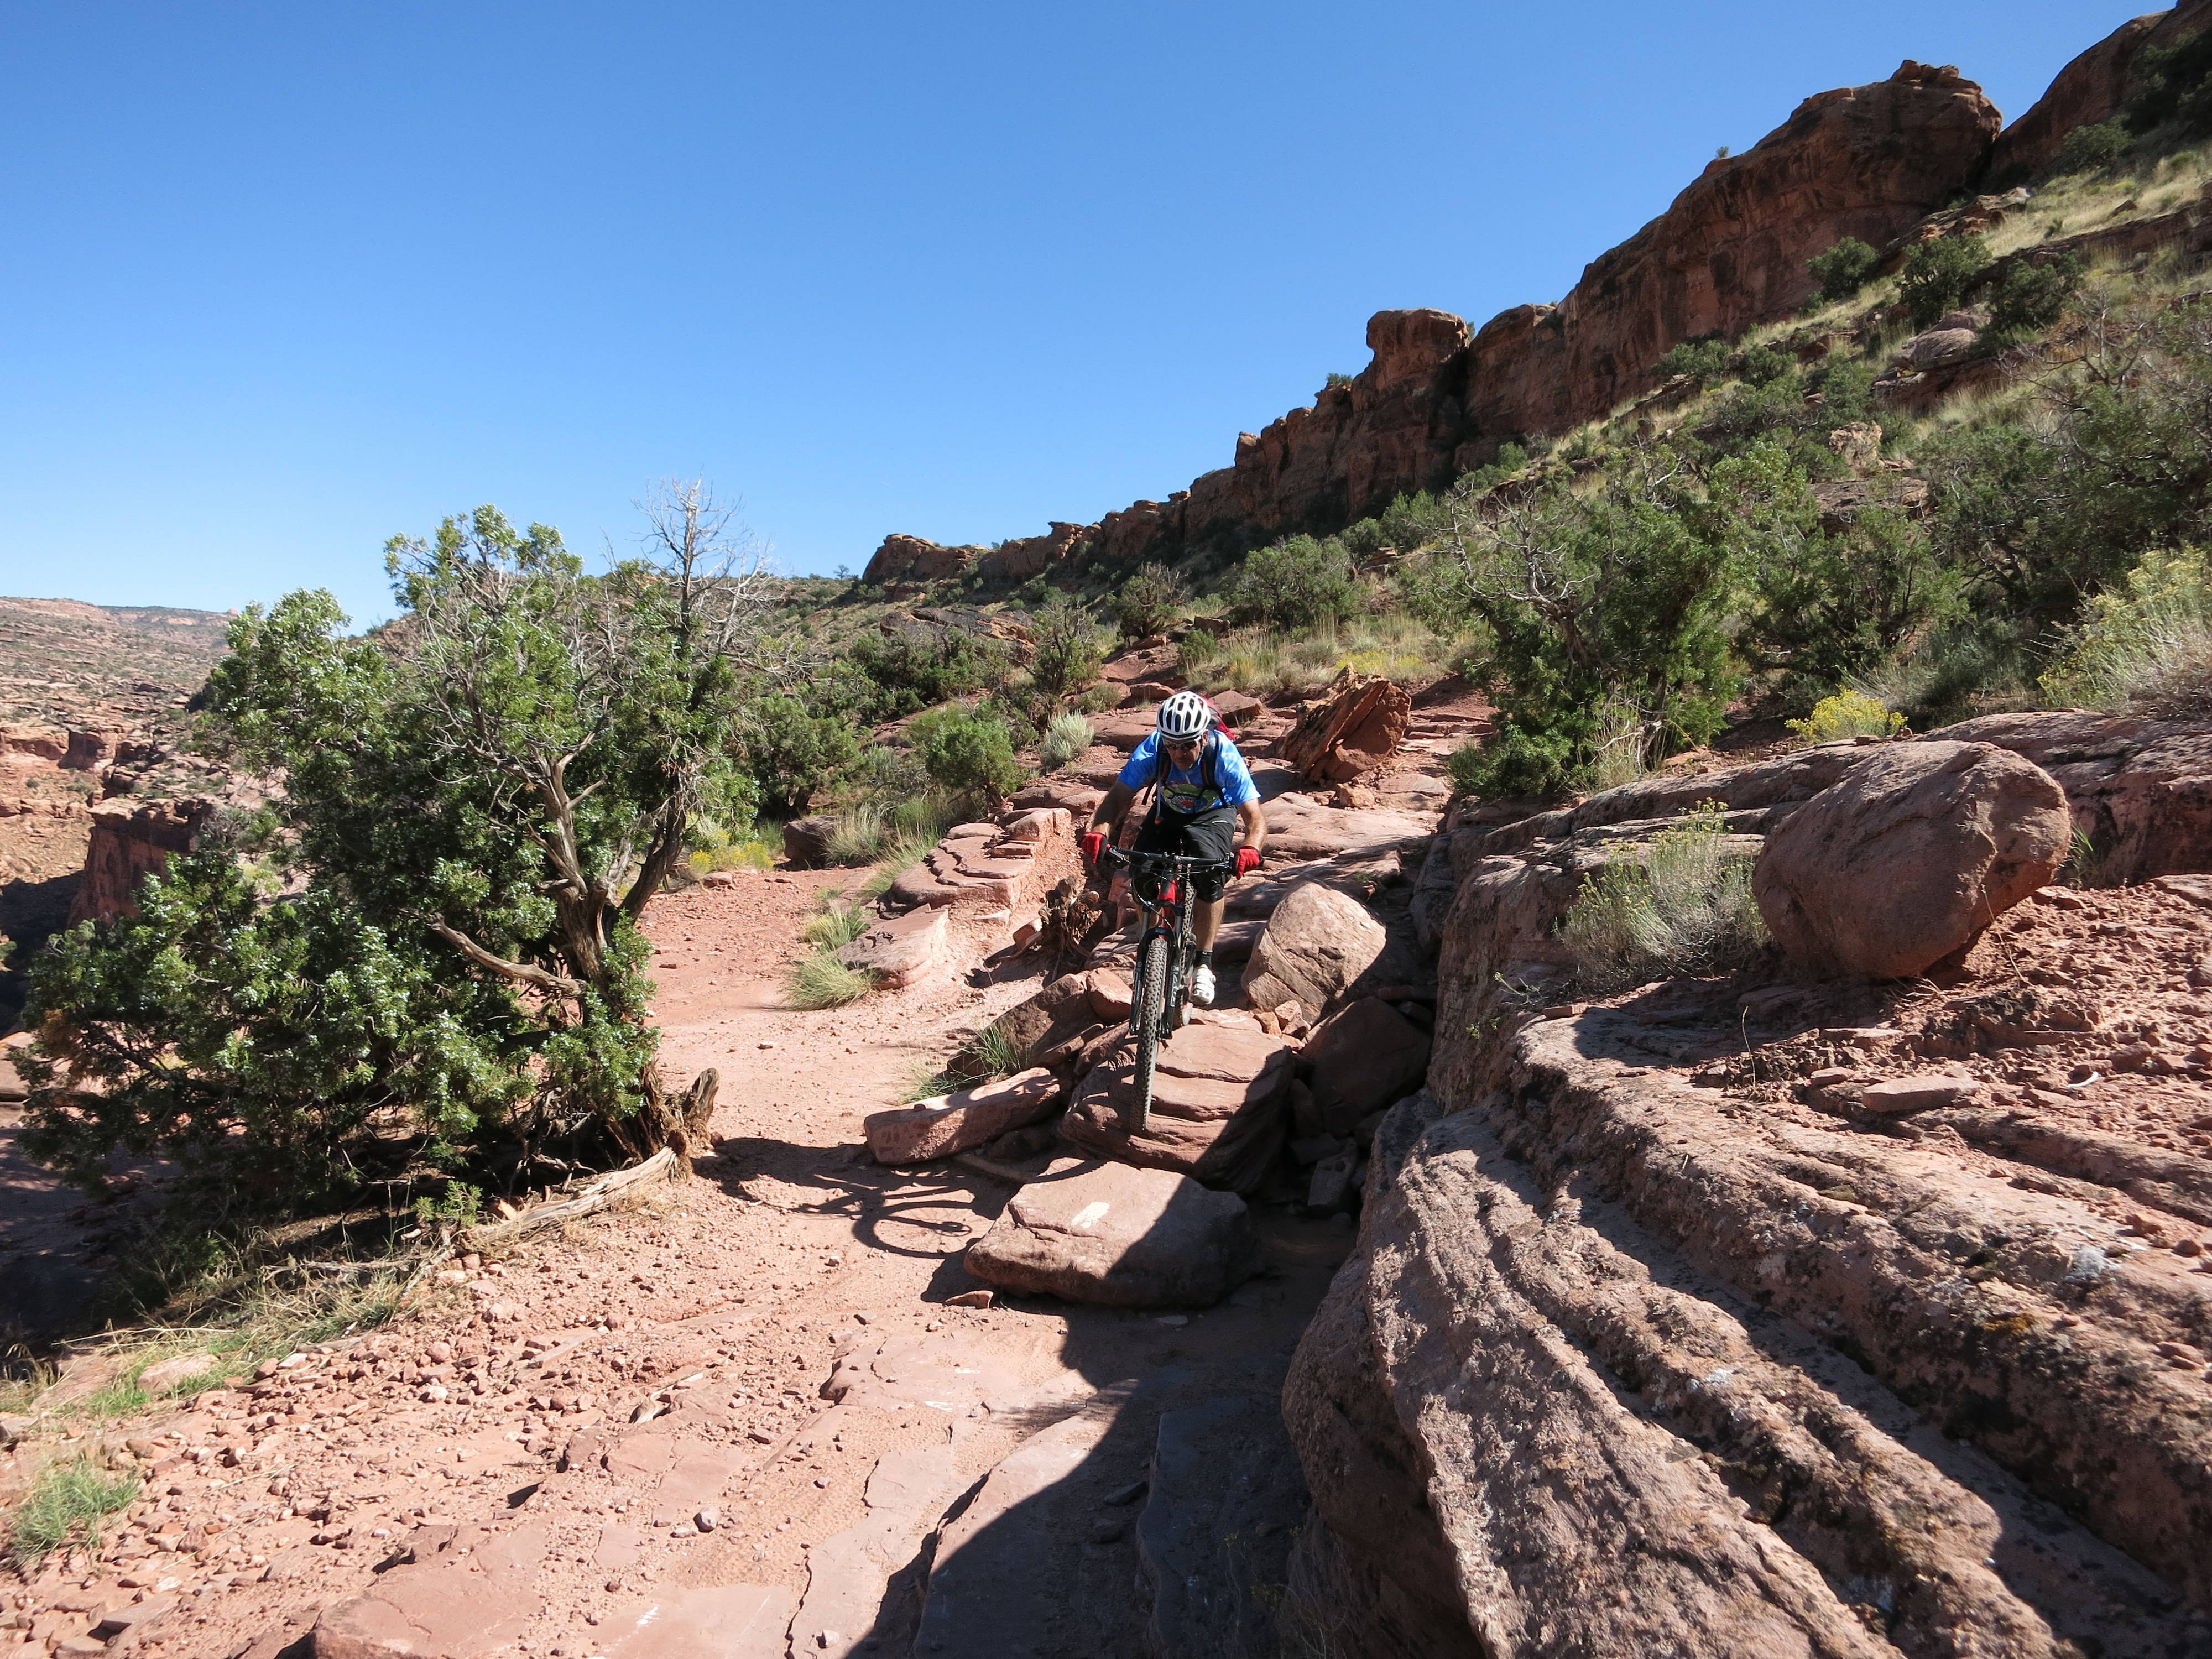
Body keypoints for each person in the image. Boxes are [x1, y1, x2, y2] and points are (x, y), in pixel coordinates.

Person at [1079, 690, 1265, 1008]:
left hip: (1212, 814)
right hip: (1168, 812)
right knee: (1141, 874)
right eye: (1172, 745)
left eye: (1187, 744)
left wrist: (1251, 847)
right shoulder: (1153, 749)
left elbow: (1255, 817)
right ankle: (1151, 943)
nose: (1179, 753)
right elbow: (1117, 798)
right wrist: (1099, 832)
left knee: (1209, 876)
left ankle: (1204, 963)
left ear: (1203, 737)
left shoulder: (1224, 755)